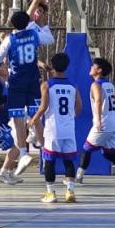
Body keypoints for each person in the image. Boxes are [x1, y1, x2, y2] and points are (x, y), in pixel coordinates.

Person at [0, 0, 55, 176]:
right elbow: (49, 39)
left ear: (13, 24)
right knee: (36, 117)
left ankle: (23, 153)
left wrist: (6, 51)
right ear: (28, 21)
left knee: (18, 117)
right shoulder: (35, 34)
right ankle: (45, 151)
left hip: (17, 82)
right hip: (33, 81)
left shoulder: (10, 39)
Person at [29, 52, 82, 203]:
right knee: (68, 161)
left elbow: (43, 107)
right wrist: (70, 118)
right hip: (68, 129)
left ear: (52, 66)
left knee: (50, 161)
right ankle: (70, 192)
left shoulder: (47, 85)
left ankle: (51, 193)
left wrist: (33, 120)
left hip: (53, 129)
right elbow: (79, 107)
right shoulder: (73, 85)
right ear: (67, 66)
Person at [77, 58, 115, 186]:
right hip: (114, 123)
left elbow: (99, 101)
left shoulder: (96, 84)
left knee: (87, 149)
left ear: (99, 70)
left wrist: (98, 120)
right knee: (109, 154)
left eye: (93, 66)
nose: (91, 67)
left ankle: (78, 177)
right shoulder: (110, 85)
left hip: (103, 123)